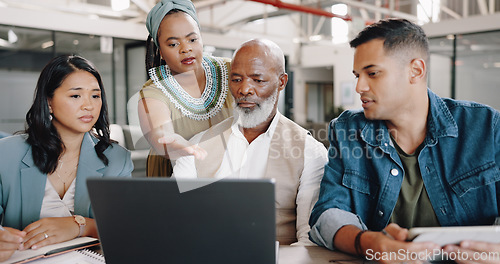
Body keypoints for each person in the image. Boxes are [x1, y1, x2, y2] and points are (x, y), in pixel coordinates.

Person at [309, 18, 500, 263]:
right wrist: (367, 243)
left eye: (373, 73)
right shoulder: (347, 130)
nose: (359, 86)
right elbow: (327, 214)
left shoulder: (486, 127)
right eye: (357, 75)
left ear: (416, 71)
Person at [173, 39, 328, 245]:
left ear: (282, 82)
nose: (245, 89)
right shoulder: (197, 145)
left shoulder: (310, 152)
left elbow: (308, 240)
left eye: (258, 80)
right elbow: (175, 219)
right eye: (236, 80)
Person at [0, 55, 133, 261]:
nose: (88, 106)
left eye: (95, 96)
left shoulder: (117, 159)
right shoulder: (7, 154)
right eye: (75, 96)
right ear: (48, 102)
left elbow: (127, 227)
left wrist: (80, 226)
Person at [138, 0, 233, 177]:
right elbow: (159, 133)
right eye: (173, 44)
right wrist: (176, 144)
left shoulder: (231, 70)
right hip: (174, 175)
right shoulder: (154, 92)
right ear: (160, 51)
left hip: (227, 171)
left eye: (192, 39)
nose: (186, 48)